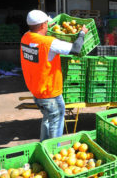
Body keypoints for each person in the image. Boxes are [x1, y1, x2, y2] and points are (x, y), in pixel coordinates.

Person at [20, 10, 88, 141]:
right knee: (56, 121)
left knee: (47, 118)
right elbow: (76, 49)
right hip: (50, 93)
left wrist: (49, 27)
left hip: (37, 90)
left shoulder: (25, 37)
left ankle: (44, 148)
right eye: (46, 22)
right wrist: (82, 33)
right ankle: (53, 152)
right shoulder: (49, 43)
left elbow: (37, 37)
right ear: (42, 25)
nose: (48, 24)